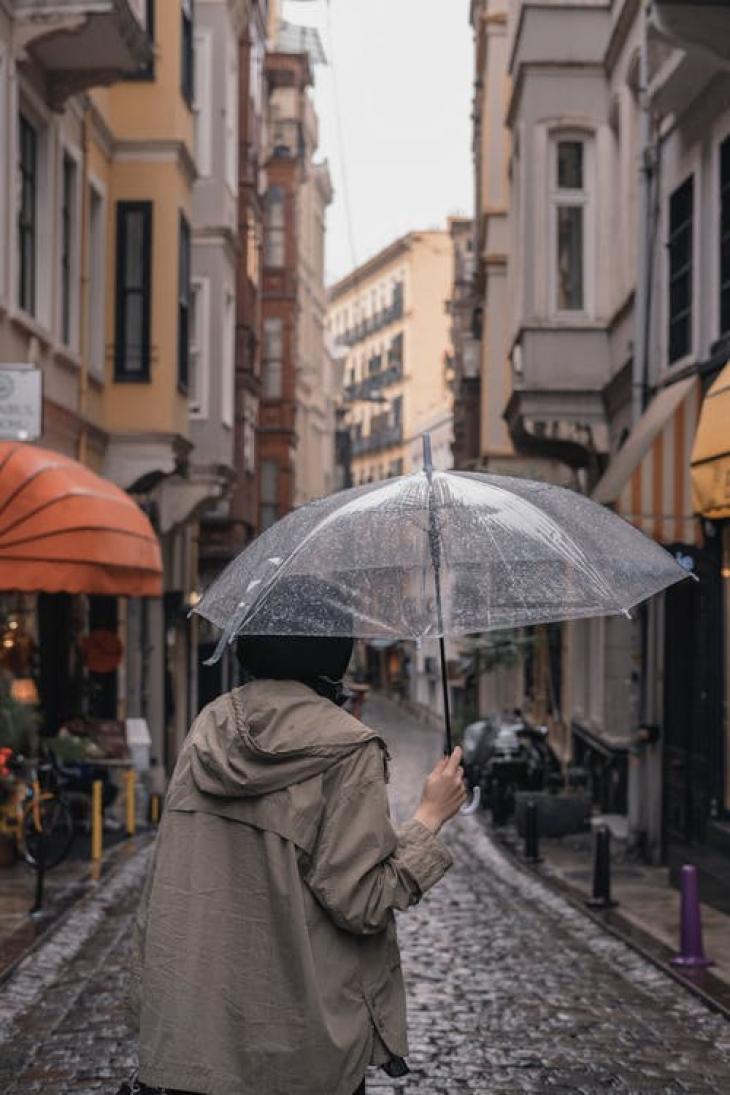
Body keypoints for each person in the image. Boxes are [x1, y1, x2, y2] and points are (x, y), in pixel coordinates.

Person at [122, 631, 465, 1095]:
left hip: (192, 1041)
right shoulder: (349, 748)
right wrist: (429, 817)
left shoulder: (208, 728)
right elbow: (361, 900)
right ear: (334, 655)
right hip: (299, 1052)